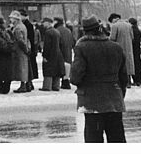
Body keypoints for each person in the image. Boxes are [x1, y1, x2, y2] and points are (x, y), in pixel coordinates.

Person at [70, 15, 128, 143]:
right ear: (100, 28)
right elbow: (124, 76)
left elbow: (75, 77)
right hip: (114, 99)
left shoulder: (82, 47)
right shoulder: (116, 47)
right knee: (117, 138)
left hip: (92, 101)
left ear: (84, 31)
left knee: (94, 139)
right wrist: (120, 92)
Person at [108, 13, 135, 87]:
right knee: (128, 64)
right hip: (129, 48)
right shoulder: (129, 25)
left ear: (113, 19)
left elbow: (112, 38)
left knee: (120, 64)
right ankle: (128, 82)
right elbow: (132, 37)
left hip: (119, 48)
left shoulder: (115, 26)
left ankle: (121, 82)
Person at [40, 17, 64, 91]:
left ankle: (47, 86)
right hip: (58, 54)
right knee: (56, 71)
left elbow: (47, 45)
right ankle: (56, 86)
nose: (43, 24)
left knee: (48, 71)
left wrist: (44, 56)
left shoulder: (48, 32)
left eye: (44, 22)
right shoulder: (57, 32)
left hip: (50, 55)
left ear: (48, 23)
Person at [8, 11, 30, 93]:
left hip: (19, 51)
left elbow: (20, 40)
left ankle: (23, 86)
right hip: (22, 50)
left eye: (12, 18)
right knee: (23, 67)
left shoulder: (18, 28)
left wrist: (25, 49)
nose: (11, 20)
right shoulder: (22, 26)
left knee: (21, 68)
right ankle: (25, 84)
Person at [54, 16, 75, 90]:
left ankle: (62, 82)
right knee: (67, 66)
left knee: (60, 66)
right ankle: (66, 81)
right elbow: (73, 41)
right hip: (68, 50)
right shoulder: (68, 30)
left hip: (60, 50)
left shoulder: (56, 30)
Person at [19, 10, 36, 92]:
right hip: (29, 48)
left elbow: (29, 38)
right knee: (29, 67)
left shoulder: (26, 25)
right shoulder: (28, 25)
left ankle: (27, 84)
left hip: (27, 49)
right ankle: (29, 83)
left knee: (27, 67)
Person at [128, 18, 141, 86]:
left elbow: (132, 40)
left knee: (134, 64)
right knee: (138, 63)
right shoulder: (138, 30)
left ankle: (136, 80)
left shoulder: (132, 30)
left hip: (133, 49)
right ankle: (139, 80)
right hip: (137, 48)